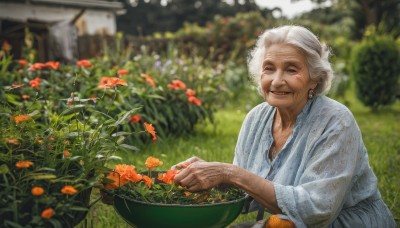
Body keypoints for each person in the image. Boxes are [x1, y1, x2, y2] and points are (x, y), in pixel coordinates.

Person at [173, 25, 396, 227]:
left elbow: (316, 212)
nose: (277, 81)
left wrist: (228, 172)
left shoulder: (335, 121)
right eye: (269, 68)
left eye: (291, 70)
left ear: (315, 78)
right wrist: (212, 176)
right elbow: (243, 192)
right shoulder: (256, 118)